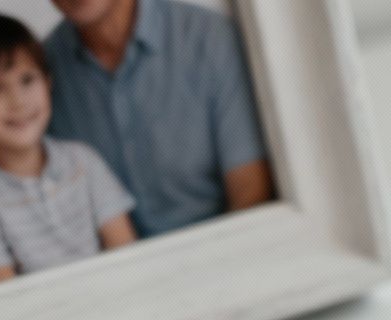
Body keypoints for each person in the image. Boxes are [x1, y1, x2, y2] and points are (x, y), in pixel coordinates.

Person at [42, 0, 275, 238]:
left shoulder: (210, 37)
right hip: (120, 271)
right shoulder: (37, 77)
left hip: (231, 253)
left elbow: (252, 193)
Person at [0, 14, 138, 286]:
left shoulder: (83, 162)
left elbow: (128, 258)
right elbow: (6, 299)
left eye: (27, 80)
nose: (18, 101)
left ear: (48, 83)